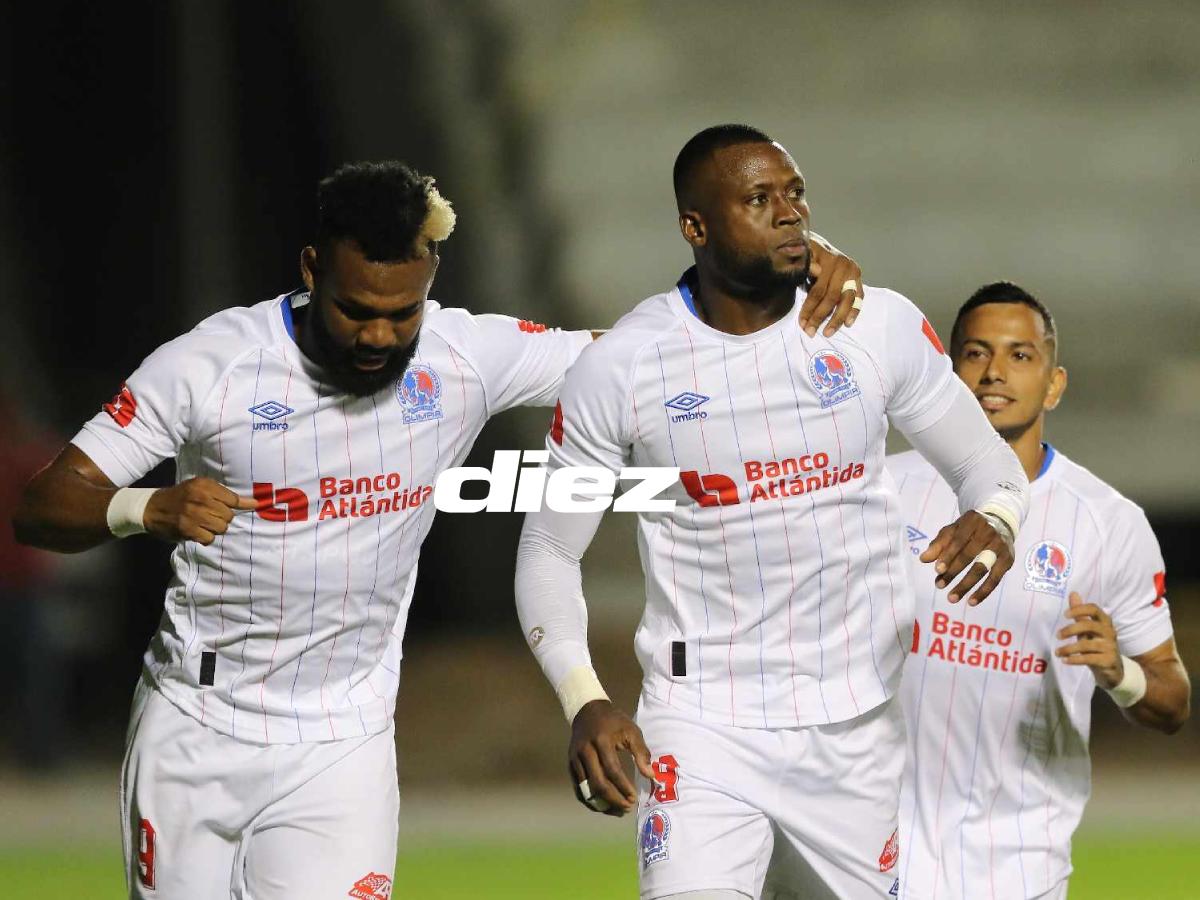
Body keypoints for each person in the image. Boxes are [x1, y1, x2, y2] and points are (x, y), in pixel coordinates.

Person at [12, 159, 864, 899]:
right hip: (198, 727)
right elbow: (42, 506)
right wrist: (145, 508)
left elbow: (650, 351)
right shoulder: (212, 365)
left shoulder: (463, 357)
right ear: (312, 268)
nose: (379, 336)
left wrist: (786, 271)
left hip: (342, 743)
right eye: (356, 310)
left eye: (403, 312)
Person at [513, 124, 1031, 900]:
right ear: (696, 227)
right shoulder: (623, 366)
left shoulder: (874, 325)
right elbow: (549, 550)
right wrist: (583, 696)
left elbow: (989, 467)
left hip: (858, 728)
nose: (791, 213)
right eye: (759, 199)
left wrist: (997, 519)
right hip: (701, 723)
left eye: (796, 193)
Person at [889, 282, 1190, 900]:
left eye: (1020, 355)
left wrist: (1120, 673)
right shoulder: (883, 490)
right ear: (948, 374)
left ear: (1054, 384)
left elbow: (1172, 702)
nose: (994, 372)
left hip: (1019, 867)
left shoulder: (1109, 523)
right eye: (976, 353)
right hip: (875, 853)